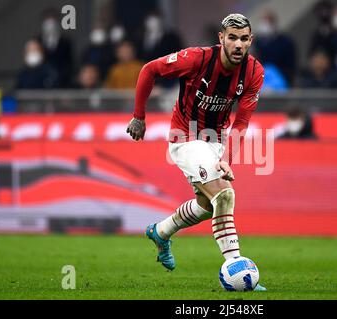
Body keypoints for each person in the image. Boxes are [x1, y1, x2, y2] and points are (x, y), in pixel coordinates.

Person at [126, 13, 266, 291]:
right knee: (224, 193)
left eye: (244, 39)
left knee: (207, 205)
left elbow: (242, 122)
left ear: (251, 40)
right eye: (232, 38)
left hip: (215, 140)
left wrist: (227, 159)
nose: (238, 44)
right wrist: (139, 116)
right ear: (221, 39)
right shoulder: (196, 59)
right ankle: (237, 268)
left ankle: (161, 231)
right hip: (184, 137)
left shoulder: (253, 72)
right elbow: (149, 70)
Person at [253, 9, 297, 87]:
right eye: (262, 21)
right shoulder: (257, 42)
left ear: (273, 24)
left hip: (281, 80)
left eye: (267, 21)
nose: (264, 25)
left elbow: (290, 66)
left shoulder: (285, 42)